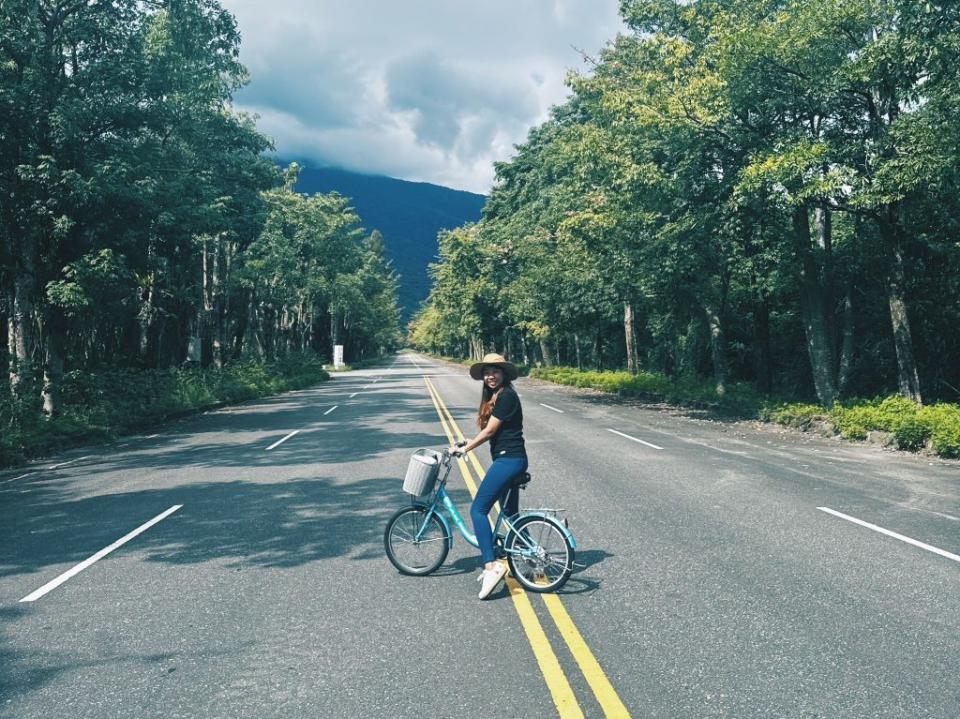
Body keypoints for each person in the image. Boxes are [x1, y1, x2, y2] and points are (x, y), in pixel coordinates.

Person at [450, 352, 527, 600]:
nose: (490, 376)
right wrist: (466, 440)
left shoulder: (507, 396)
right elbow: (488, 429)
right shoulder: (496, 397)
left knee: (478, 510)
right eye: (486, 372)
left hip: (509, 460)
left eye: (495, 371)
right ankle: (532, 555)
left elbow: (491, 431)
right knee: (510, 515)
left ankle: (491, 565)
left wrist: (466, 449)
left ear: (504, 374)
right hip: (510, 459)